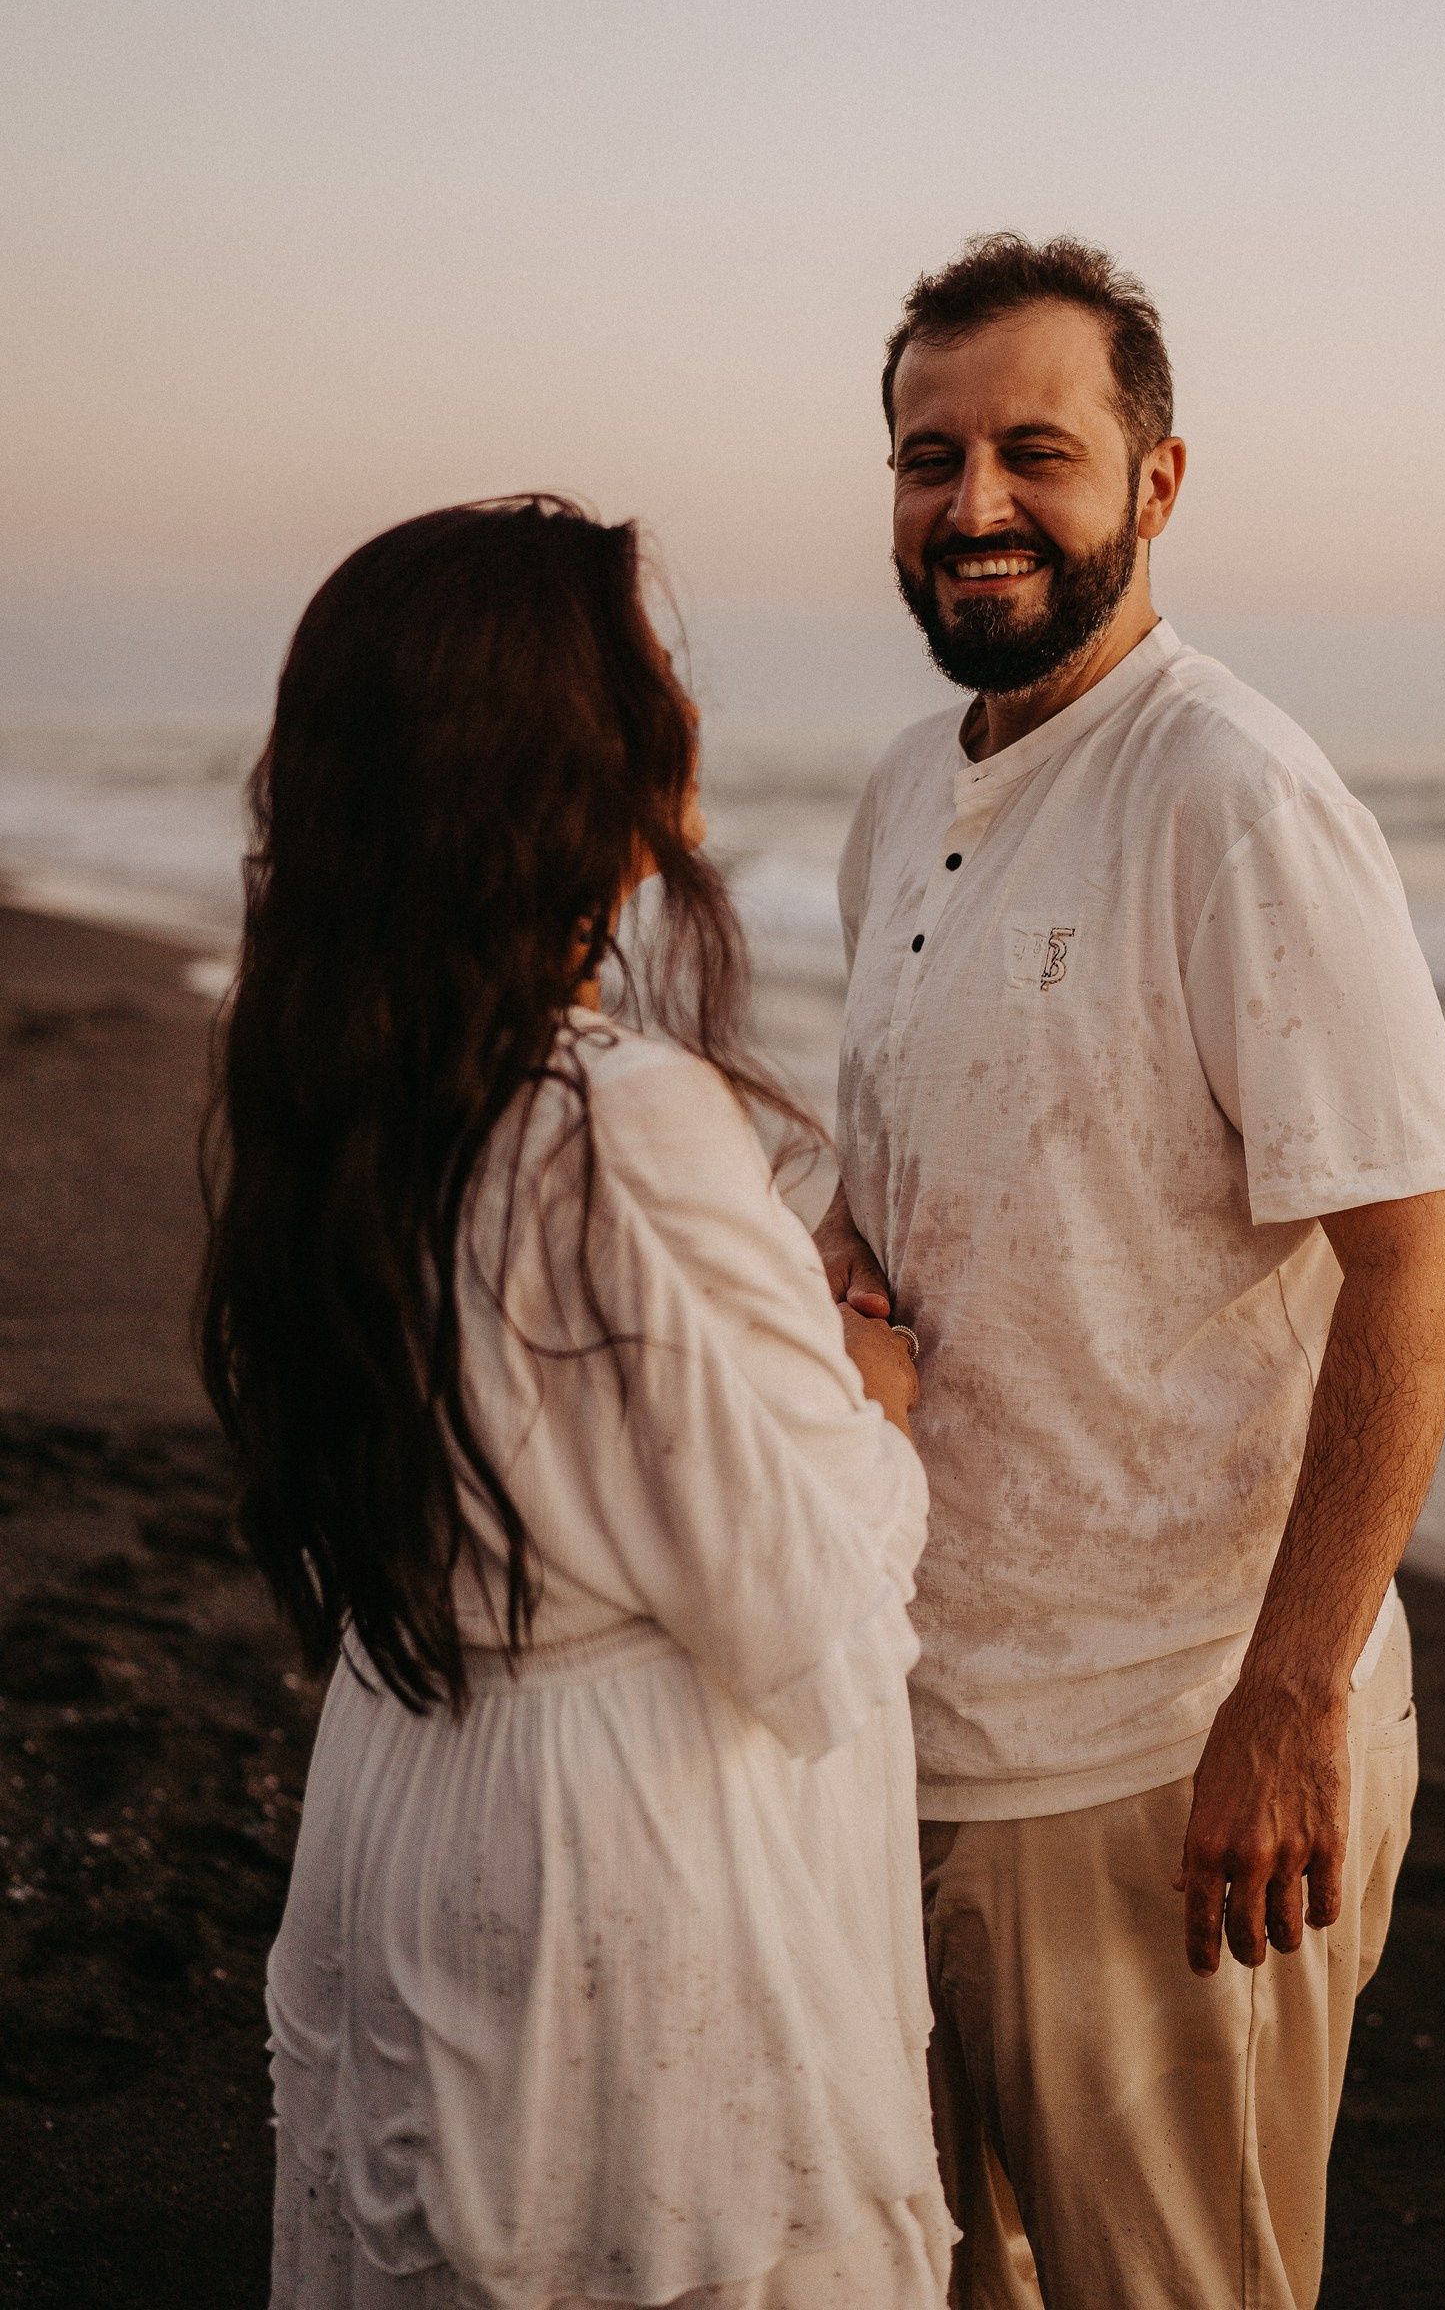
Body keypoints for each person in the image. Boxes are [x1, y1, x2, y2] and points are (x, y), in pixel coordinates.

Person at [817, 239, 1445, 2310]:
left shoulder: (1232, 794)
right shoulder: (902, 792)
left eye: (1037, 450)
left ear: (1157, 481)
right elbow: (922, 1180)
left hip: (1167, 1754)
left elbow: (1416, 1248)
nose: (978, 505)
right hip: (914, 1720)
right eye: (933, 458)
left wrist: (1287, 1697)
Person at [200, 498, 952, 2310]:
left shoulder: (335, 1068)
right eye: (648, 676)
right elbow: (812, 1609)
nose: (679, 711)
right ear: (563, 752)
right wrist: (879, 1392)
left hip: (416, 1771)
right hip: (612, 1840)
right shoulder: (613, 1117)